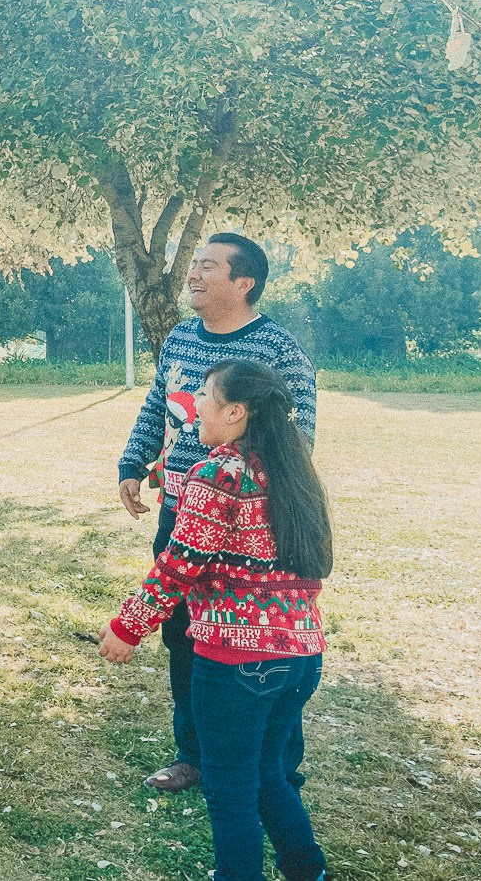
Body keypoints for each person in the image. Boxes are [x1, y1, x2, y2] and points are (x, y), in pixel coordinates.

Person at [99, 360, 332, 881]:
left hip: (236, 664)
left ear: (235, 411)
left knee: (229, 790)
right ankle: (307, 871)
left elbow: (179, 565)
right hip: (300, 658)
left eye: (204, 394)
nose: (193, 405)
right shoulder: (293, 471)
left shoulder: (217, 474)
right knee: (270, 774)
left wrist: (126, 628)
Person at [114, 232, 316, 794]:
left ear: (244, 281)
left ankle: (277, 770)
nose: (193, 274)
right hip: (181, 508)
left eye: (208, 266)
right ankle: (194, 755)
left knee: (260, 641)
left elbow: (301, 439)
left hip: (251, 524)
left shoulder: (278, 349)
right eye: (194, 264)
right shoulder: (179, 339)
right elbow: (157, 406)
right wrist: (133, 463)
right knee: (183, 633)